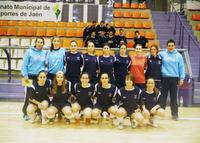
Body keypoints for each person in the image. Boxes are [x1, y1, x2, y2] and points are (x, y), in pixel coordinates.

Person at [158, 39, 185, 121]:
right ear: (167, 46)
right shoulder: (162, 54)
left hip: (174, 78)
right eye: (169, 46)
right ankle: (161, 114)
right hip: (164, 78)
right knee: (163, 97)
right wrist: (147, 55)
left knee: (174, 97)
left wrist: (182, 78)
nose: (170, 47)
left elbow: (181, 67)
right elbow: (154, 54)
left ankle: (174, 114)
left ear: (174, 46)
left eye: (172, 46)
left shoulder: (179, 56)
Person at [21, 37, 46, 120]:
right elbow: (24, 64)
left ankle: (38, 112)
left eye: (41, 42)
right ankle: (25, 112)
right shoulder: (29, 52)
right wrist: (25, 75)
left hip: (40, 77)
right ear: (35, 43)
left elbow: (46, 64)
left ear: (43, 44)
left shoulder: (45, 53)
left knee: (39, 96)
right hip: (29, 77)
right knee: (28, 95)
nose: (39, 44)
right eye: (38, 42)